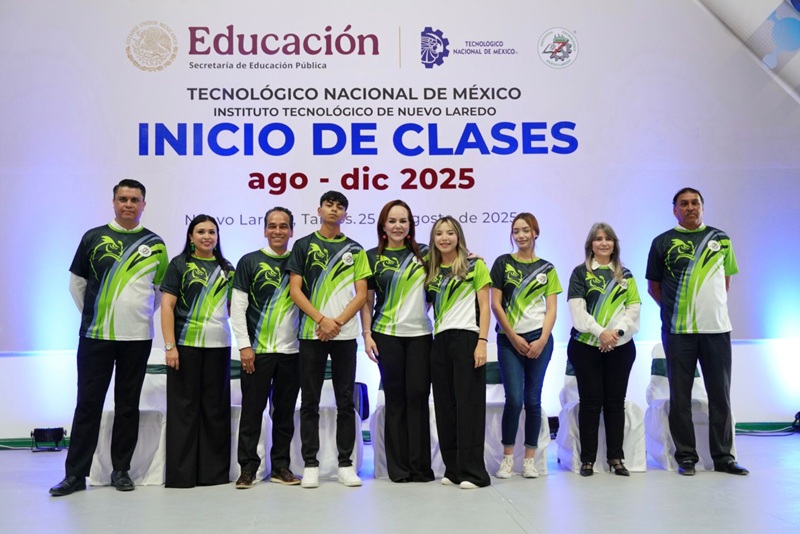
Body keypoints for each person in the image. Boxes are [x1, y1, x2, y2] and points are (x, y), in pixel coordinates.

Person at [50, 179, 168, 497]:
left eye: (135, 200)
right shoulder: (93, 237)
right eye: (123, 199)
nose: (128, 204)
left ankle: (121, 470)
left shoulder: (155, 244)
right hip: (96, 336)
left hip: (137, 338)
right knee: (88, 404)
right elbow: (77, 284)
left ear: (144, 204)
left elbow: (158, 292)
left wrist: (135, 315)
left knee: (127, 405)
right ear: (113, 202)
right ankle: (75, 475)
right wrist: (97, 314)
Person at [646, 187, 748, 476]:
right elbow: (654, 287)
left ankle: (724, 457)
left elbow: (725, 282)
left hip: (716, 329)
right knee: (680, 397)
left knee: (720, 395)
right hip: (678, 332)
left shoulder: (720, 239)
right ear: (675, 210)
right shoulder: (662, 242)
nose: (690, 207)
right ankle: (686, 458)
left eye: (695, 203)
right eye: (684, 203)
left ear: (702, 207)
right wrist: (676, 310)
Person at [286, 191, 370, 488]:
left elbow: (362, 294)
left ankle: (346, 464)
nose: (334, 210)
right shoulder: (303, 245)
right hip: (312, 333)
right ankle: (310, 463)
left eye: (340, 207)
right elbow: (295, 291)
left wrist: (337, 323)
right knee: (309, 400)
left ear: (346, 214)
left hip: (345, 335)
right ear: (319, 210)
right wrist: (322, 320)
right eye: (329, 205)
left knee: (345, 401)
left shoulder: (355, 249)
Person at [360, 200, 435, 483]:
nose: (397, 226)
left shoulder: (425, 254)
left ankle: (420, 467)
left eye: (403, 221)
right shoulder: (371, 257)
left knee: (418, 397)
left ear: (410, 225)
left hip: (420, 336)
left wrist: (472, 257)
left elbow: (439, 284)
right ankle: (399, 469)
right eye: (392, 221)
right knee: (395, 400)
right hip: (385, 335)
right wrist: (367, 334)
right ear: (383, 225)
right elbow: (366, 301)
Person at [160, 215, 234, 488]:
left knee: (215, 411)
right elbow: (167, 306)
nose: (207, 236)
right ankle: (182, 476)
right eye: (201, 231)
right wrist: (170, 346)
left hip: (219, 347)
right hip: (185, 346)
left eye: (212, 232)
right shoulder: (179, 264)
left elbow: (232, 309)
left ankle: (213, 475)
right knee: (184, 410)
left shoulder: (227, 268)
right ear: (191, 236)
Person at [231, 207, 302, 488]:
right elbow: (238, 308)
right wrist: (244, 347)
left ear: (292, 231)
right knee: (251, 413)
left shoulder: (299, 263)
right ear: (264, 230)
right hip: (256, 353)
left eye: (283, 226)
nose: (277, 231)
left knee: (284, 414)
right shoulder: (249, 261)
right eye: (272, 226)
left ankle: (281, 467)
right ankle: (248, 468)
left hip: (291, 353)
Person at [490, 213, 561, 479]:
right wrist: (512, 336)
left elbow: (551, 309)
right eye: (516, 231)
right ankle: (508, 458)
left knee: (533, 400)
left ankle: (530, 459)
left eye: (525, 230)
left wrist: (542, 339)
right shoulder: (503, 263)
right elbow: (495, 305)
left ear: (535, 233)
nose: (520, 235)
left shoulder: (547, 268)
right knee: (514, 399)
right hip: (509, 340)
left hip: (540, 340)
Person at [567, 222, 640, 477]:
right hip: (586, 347)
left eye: (608, 239)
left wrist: (615, 334)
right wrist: (601, 333)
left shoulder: (625, 275)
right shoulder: (580, 273)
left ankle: (616, 458)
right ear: (591, 244)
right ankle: (587, 460)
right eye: (598, 239)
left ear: (614, 245)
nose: (604, 243)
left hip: (621, 347)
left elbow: (633, 308)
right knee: (590, 402)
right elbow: (578, 312)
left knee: (615, 403)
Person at [426, 216, 491, 489]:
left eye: (450, 233)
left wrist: (482, 341)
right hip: (439, 340)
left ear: (458, 236)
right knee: (445, 406)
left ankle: (474, 473)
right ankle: (453, 469)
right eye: (439, 233)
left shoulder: (475, 265)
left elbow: (485, 307)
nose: (445, 238)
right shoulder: (430, 270)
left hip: (467, 337)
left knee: (469, 406)